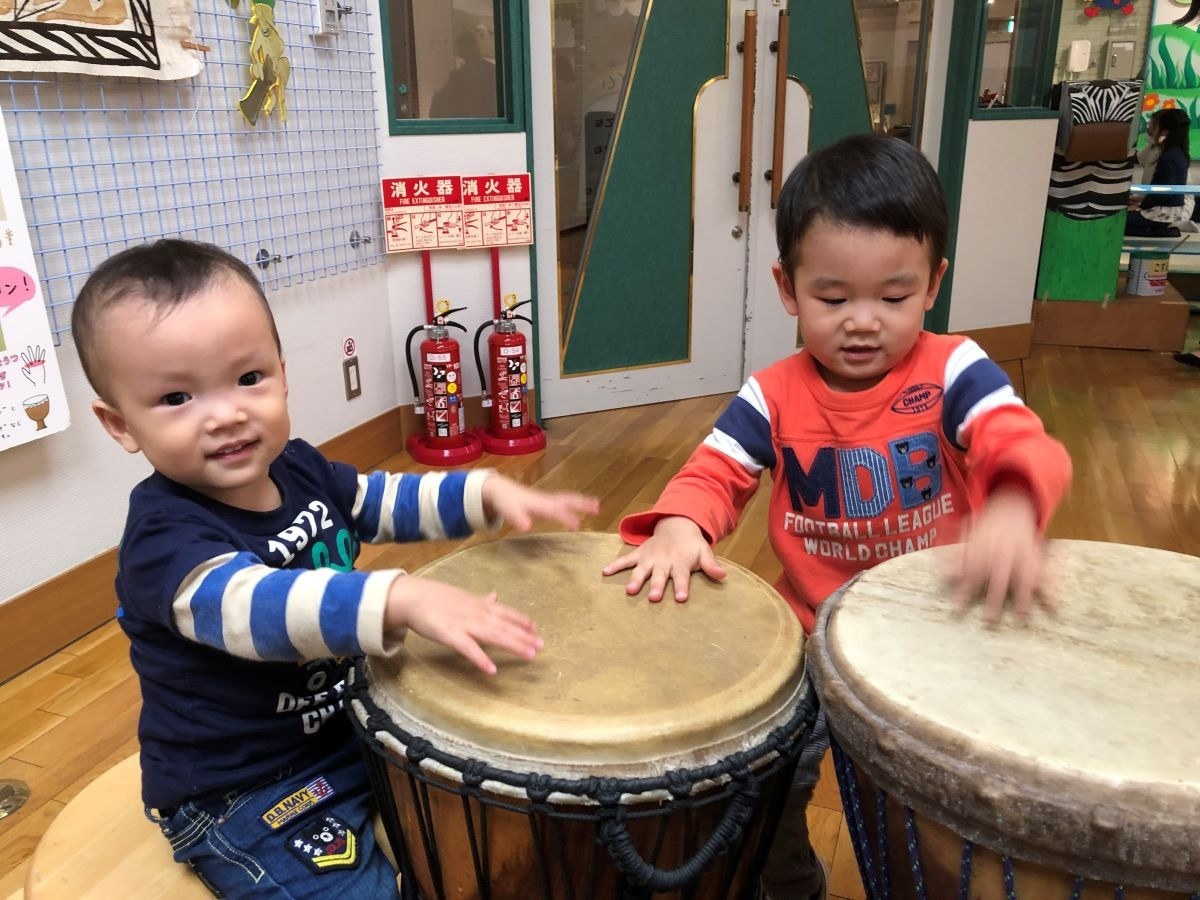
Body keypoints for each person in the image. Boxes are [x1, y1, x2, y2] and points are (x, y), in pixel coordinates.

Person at [602, 134, 1072, 900]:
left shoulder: (955, 369)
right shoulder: (773, 392)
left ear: (932, 284)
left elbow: (1017, 440)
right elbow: (714, 470)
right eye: (833, 297)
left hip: (937, 634)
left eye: (893, 297)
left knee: (938, 805)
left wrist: (1015, 501)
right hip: (815, 631)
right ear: (787, 288)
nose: (863, 321)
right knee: (773, 784)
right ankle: (789, 883)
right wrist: (683, 523)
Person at [70, 239, 599, 898]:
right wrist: (398, 597)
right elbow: (256, 610)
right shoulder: (163, 538)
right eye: (177, 397)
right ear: (120, 424)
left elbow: (378, 501)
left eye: (248, 378)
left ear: (282, 374)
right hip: (249, 788)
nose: (226, 412)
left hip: (348, 730)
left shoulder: (298, 466)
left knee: (497, 815)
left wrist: (482, 493)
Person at [1126, 107, 1193, 237]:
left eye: (1154, 127)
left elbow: (1162, 193)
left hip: (1162, 214)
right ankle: (1160, 230)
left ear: (1164, 132)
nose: (1149, 130)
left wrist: (1140, 206)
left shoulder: (1169, 158)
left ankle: (1161, 231)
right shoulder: (1174, 152)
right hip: (1163, 210)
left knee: (1118, 223)